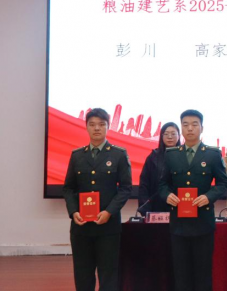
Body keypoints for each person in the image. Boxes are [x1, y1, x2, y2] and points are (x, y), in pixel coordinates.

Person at [62, 108, 132, 291]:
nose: (97, 128)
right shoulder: (77, 155)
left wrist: (109, 212)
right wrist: (73, 212)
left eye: (101, 124)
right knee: (83, 274)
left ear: (108, 126)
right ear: (86, 127)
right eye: (92, 124)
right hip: (81, 227)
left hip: (108, 227)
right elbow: (68, 188)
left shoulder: (118, 154)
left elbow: (126, 188)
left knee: (108, 275)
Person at [159, 109, 227, 291]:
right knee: (181, 274)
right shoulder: (172, 154)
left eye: (194, 124)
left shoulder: (212, 154)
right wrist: (167, 195)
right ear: (181, 128)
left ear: (201, 128)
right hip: (179, 224)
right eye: (186, 125)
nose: (190, 128)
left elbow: (223, 183)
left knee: (203, 274)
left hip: (203, 223)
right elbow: (162, 185)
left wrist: (208, 197)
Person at [138, 122, 181, 214]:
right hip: (156, 206)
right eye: (166, 134)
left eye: (173, 134)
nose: (170, 137)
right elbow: (144, 184)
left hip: (179, 205)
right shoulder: (153, 157)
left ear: (179, 136)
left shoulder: (185, 156)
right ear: (161, 136)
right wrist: (145, 207)